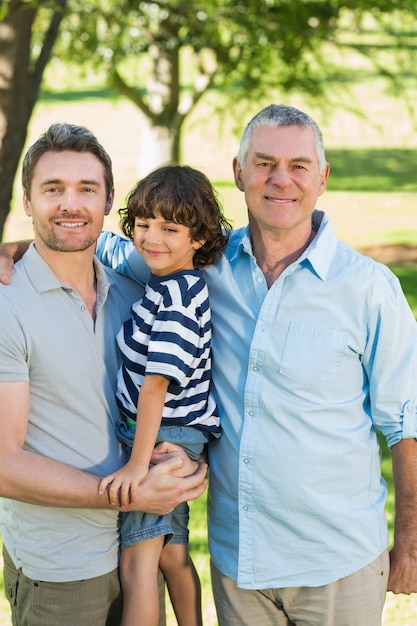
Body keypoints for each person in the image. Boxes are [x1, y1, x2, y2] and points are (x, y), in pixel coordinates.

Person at [2, 105, 417, 625]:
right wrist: (16, 248)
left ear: (323, 177)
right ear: (239, 172)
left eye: (299, 166)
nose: (280, 180)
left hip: (335, 562)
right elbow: (89, 241)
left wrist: (411, 544)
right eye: (263, 163)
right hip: (238, 561)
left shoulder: (369, 289)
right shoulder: (202, 263)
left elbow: (405, 421)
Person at [0, 123, 207, 626]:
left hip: (137, 541)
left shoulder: (134, 293)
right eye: (53, 189)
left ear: (109, 200)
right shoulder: (8, 304)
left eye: (86, 190)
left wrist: (184, 457)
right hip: (64, 567)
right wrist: (127, 491)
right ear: (27, 201)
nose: (71, 205)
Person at [98, 165, 231, 626]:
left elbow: (156, 384)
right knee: (171, 553)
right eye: (144, 223)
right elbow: (102, 243)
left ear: (198, 238)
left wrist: (137, 464)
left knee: (137, 564)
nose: (152, 238)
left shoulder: (175, 300)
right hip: (175, 431)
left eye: (170, 228)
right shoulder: (172, 283)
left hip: (162, 436)